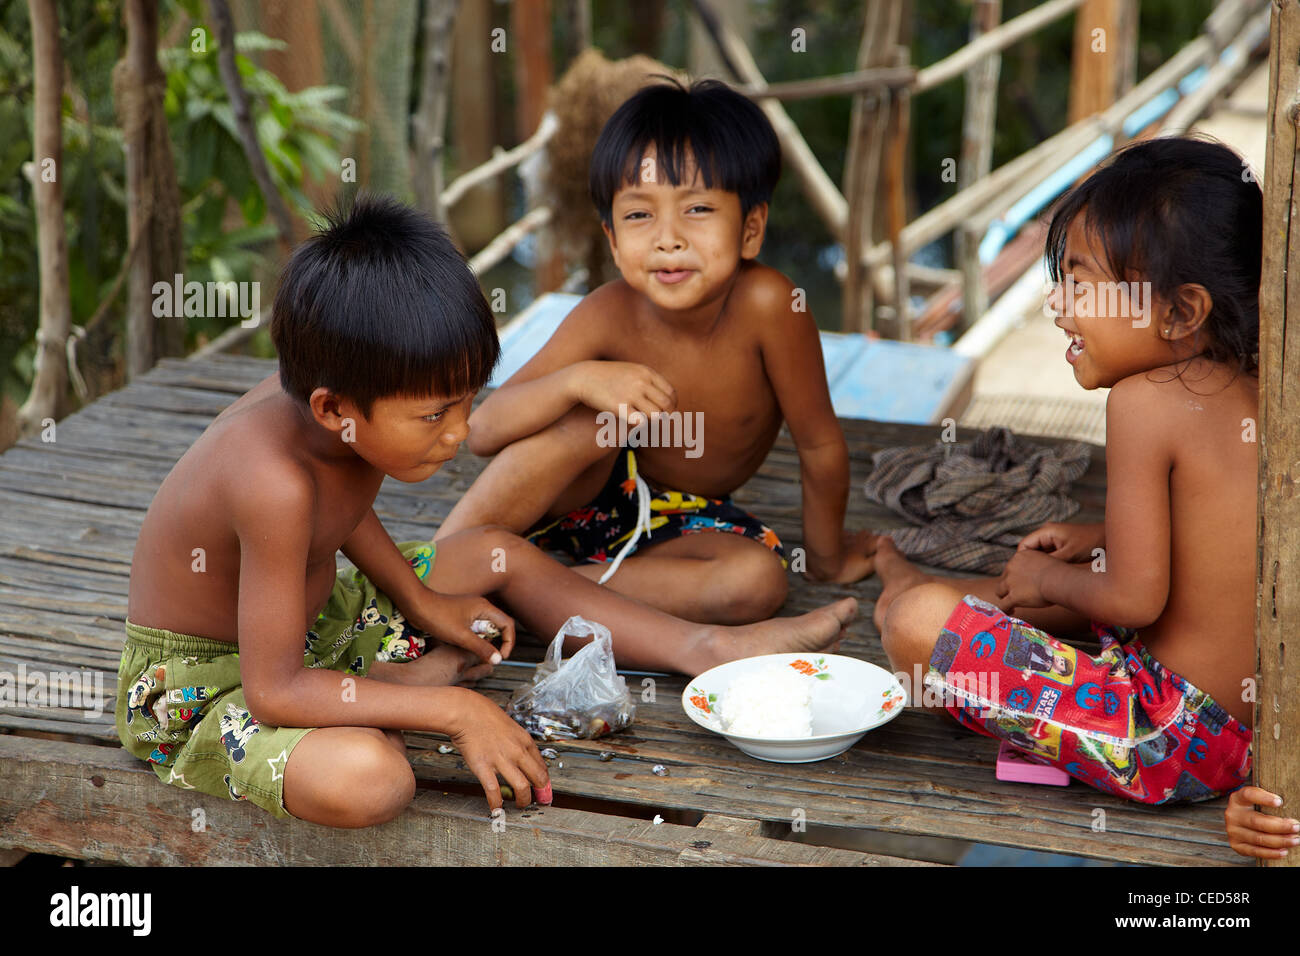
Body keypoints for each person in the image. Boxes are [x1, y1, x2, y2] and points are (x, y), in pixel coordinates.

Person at [115, 194, 856, 827]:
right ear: (334, 408)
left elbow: (340, 516)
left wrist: (420, 600)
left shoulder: (336, 423)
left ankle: (702, 648)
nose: (462, 432)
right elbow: (272, 690)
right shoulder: (270, 478)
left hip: (311, 631)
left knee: (488, 552)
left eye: (469, 402)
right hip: (212, 687)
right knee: (372, 780)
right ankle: (395, 698)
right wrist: (458, 713)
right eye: (435, 414)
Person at [871, 137, 1263, 810]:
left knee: (913, 623)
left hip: (1165, 737)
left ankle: (914, 594)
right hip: (1236, 721)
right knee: (1027, 593)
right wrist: (1095, 535)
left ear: (1179, 311)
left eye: (1081, 283)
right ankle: (929, 588)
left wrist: (1052, 575)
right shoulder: (1251, 381)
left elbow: (1137, 598)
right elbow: (1212, 536)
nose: (1058, 305)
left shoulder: (1145, 401)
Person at [435, 78, 876, 624]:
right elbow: (483, 431)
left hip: (682, 524)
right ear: (613, 240)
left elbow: (819, 444)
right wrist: (578, 381)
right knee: (587, 424)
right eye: (640, 215)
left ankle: (530, 591)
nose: (668, 238)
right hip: (574, 501)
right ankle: (435, 579)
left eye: (697, 209)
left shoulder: (771, 306)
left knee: (758, 581)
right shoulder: (608, 310)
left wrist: (827, 559)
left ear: (750, 229)